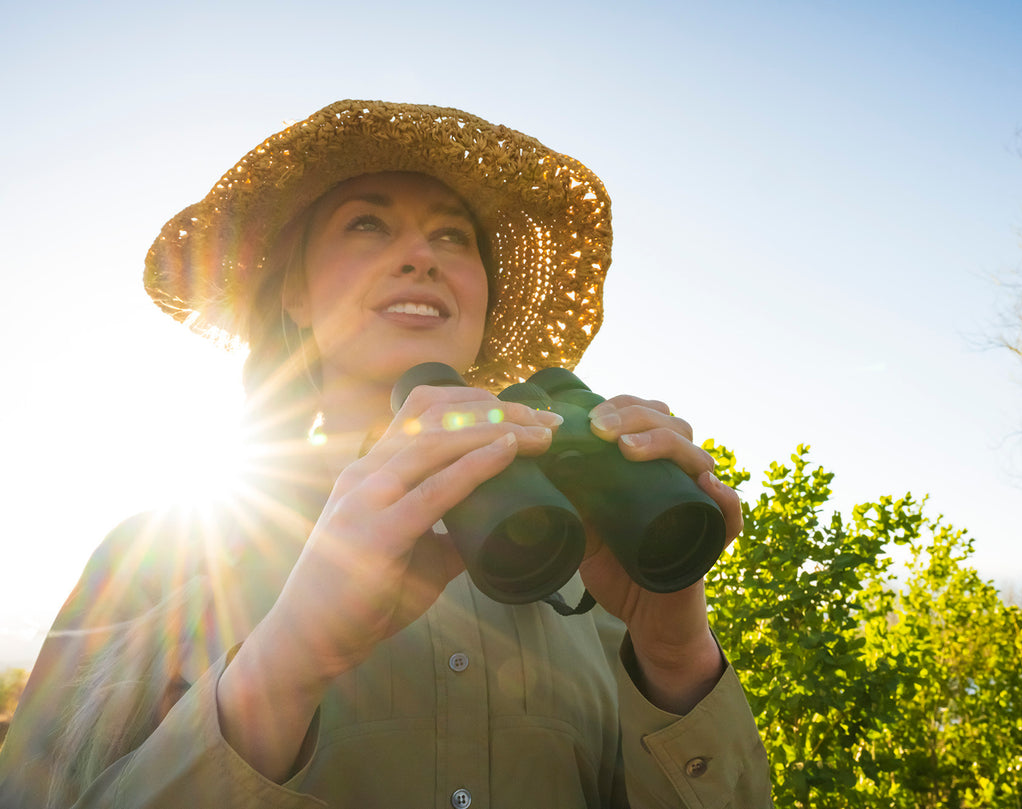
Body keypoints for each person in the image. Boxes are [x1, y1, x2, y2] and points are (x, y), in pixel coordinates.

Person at [0, 100, 772, 808]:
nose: (421, 256)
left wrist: (674, 655)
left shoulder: (586, 570)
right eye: (367, 224)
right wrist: (281, 669)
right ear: (296, 295)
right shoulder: (158, 556)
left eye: (453, 237)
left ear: (482, 303)